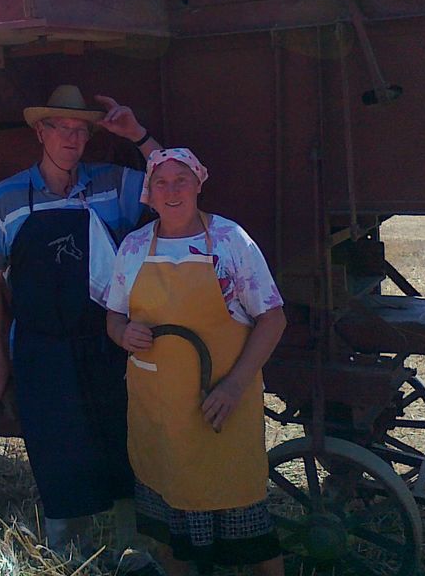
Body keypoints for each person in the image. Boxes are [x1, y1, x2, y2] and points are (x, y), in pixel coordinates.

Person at [0, 84, 162, 563]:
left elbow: (173, 181)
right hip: (41, 349)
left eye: (81, 130)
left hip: (107, 342)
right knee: (56, 444)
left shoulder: (112, 183)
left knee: (122, 440)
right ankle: (66, 553)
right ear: (41, 132)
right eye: (62, 128)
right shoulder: (7, 197)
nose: (72, 139)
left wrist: (138, 135)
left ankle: (131, 547)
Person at [105, 148, 286, 576]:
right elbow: (114, 317)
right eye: (161, 183)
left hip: (218, 407)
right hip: (159, 412)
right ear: (150, 193)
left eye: (181, 180)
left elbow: (273, 318)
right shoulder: (134, 247)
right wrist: (123, 333)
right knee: (170, 533)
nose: (172, 191)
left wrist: (234, 386)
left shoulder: (229, 241)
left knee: (250, 530)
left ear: (198, 184)